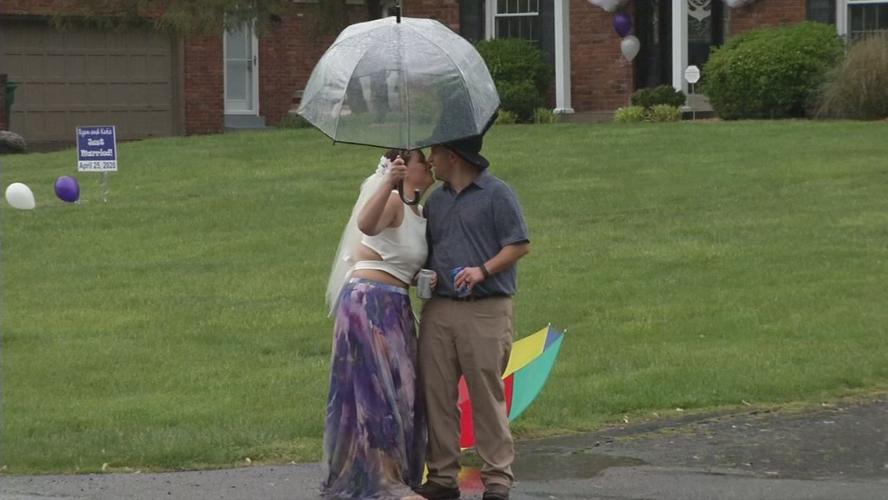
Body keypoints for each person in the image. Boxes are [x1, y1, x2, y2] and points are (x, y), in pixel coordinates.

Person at [415, 134, 530, 500]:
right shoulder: (436, 202)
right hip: (440, 308)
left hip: (486, 309)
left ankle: (497, 480)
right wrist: (426, 275)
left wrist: (483, 269)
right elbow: (428, 251)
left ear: (452, 156)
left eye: (435, 153)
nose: (431, 160)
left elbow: (519, 244)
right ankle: (443, 477)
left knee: (485, 395)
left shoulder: (497, 194)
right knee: (436, 394)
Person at [322, 149, 436, 500]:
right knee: (377, 391)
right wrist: (389, 181)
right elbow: (366, 226)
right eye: (422, 160)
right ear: (404, 168)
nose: (430, 163)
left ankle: (391, 473)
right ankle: (382, 482)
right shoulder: (390, 200)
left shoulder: (419, 212)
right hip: (369, 301)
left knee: (403, 390)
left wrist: (423, 279)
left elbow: (400, 257)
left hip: (397, 304)